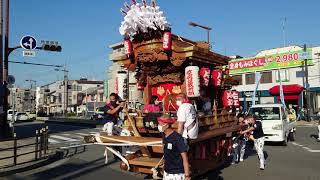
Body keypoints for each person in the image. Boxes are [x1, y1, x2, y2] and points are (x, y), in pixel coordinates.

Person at [157, 114, 191, 180]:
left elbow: (184, 157)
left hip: (177, 174)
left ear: (166, 125)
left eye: (160, 124)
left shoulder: (177, 138)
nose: (159, 126)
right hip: (167, 172)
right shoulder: (164, 135)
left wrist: (187, 176)